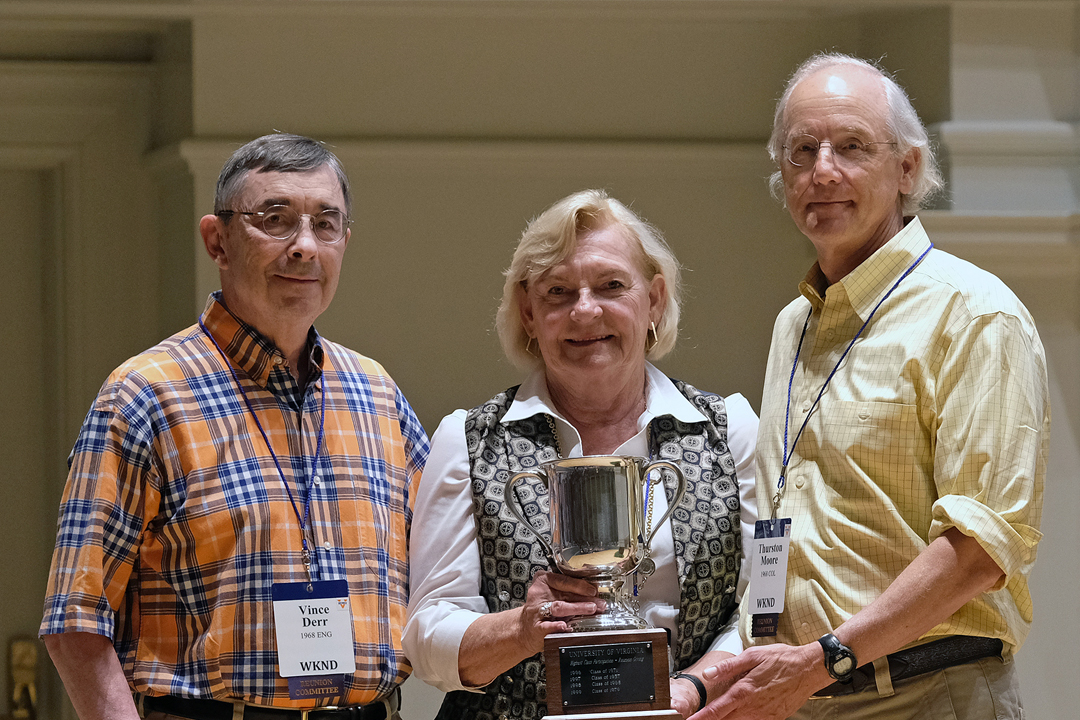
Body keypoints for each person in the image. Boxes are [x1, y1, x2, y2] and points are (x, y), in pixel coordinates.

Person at [694, 54, 1049, 720]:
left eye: (851, 146)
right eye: (802, 151)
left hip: (926, 695)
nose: (823, 170)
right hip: (801, 697)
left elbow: (980, 551)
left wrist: (829, 656)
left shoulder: (973, 313)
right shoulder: (794, 323)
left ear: (907, 168)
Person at [40, 133, 429, 720]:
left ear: (345, 242)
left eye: (326, 224)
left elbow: (445, 574)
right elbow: (76, 620)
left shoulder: (376, 393)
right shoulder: (145, 395)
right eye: (276, 220)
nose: (304, 246)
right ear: (216, 241)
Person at [403, 189, 759, 720]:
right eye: (558, 292)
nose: (585, 310)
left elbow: (761, 609)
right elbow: (427, 637)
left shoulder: (729, 430)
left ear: (654, 299)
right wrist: (521, 630)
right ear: (528, 312)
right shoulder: (469, 439)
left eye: (612, 285)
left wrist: (691, 689)